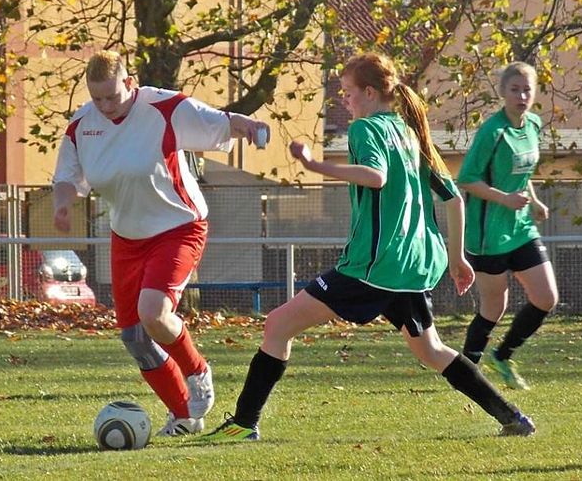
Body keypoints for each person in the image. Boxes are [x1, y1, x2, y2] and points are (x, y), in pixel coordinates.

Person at [203, 52, 535, 442]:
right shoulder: (409, 132)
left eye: (348, 92)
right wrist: (457, 257)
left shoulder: (366, 129)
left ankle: (244, 424)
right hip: (412, 265)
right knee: (431, 350)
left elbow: (376, 177)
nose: (345, 101)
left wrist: (315, 166)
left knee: (277, 325)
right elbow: (455, 199)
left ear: (370, 92)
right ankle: (513, 418)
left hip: (373, 266)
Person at [51, 50, 271, 436]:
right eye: (97, 98)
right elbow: (67, 178)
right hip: (126, 238)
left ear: (129, 84)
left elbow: (219, 122)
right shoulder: (81, 125)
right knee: (135, 337)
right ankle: (185, 415)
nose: (105, 106)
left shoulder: (164, 107)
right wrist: (63, 205)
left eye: (112, 96)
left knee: (153, 313)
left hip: (179, 227)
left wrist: (249, 126)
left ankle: (197, 371)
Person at [458, 61, 559, 390]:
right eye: (515, 89)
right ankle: (465, 369)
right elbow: (467, 179)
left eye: (527, 89)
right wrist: (504, 199)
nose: (522, 96)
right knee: (494, 307)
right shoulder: (493, 131)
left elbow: (522, 172)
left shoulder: (533, 125)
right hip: (488, 235)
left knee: (546, 297)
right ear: (503, 93)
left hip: (521, 228)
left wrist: (535, 200)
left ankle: (502, 356)